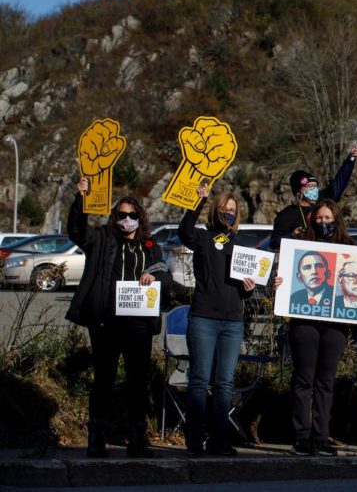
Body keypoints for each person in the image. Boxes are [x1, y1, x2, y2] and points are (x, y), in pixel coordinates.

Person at [67, 178, 169, 458]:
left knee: (138, 382)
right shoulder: (101, 238)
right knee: (104, 380)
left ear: (140, 218)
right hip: (106, 322)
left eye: (132, 215)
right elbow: (76, 232)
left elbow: (164, 271)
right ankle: (96, 438)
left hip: (139, 324)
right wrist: (81, 200)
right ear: (115, 217)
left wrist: (155, 274)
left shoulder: (150, 246)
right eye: (122, 215)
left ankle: (137, 440)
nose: (127, 220)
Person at [179, 184, 257, 457]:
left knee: (224, 383)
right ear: (216, 211)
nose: (229, 214)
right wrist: (197, 201)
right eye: (225, 210)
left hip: (232, 321)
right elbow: (184, 232)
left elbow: (247, 290)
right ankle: (194, 441)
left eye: (233, 211)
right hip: (204, 318)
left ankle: (219, 440)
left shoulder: (240, 247)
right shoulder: (203, 238)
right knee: (199, 380)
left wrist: (250, 288)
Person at [289, 200, 354, 456]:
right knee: (304, 380)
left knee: (326, 382)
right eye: (319, 218)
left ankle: (321, 436)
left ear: (336, 219)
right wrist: (279, 280)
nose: (323, 222)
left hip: (335, 324)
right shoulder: (302, 244)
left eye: (328, 218)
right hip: (304, 322)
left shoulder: (349, 248)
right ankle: (301, 437)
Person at [269, 145, 357, 250]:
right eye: (309, 186)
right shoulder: (287, 214)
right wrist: (292, 236)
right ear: (298, 192)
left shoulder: (324, 201)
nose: (313, 189)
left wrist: (350, 160)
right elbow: (273, 242)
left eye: (315, 186)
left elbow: (340, 181)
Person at [289, 252, 333, 318]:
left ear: (327, 273)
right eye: (307, 267)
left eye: (319, 266)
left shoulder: (338, 298)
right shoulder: (294, 298)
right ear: (299, 277)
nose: (314, 271)